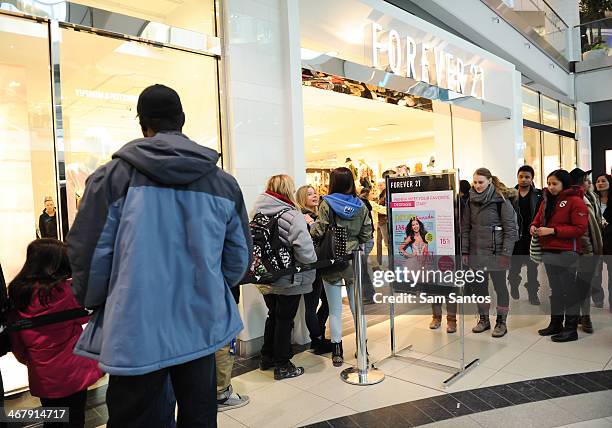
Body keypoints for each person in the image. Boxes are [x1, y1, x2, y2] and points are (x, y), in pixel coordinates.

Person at [67, 84, 252, 427]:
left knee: (138, 418)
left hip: (136, 328)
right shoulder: (224, 184)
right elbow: (238, 257)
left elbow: (89, 256)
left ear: (143, 125)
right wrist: (209, 285)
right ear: (182, 120)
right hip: (200, 323)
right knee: (199, 416)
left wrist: (100, 301)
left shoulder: (111, 179)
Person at [8, 239, 103, 428]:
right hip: (73, 372)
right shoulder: (67, 291)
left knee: (54, 419)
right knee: (75, 417)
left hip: (43, 374)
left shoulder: (18, 293)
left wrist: (30, 360)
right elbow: (86, 318)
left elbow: (17, 341)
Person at [253, 175, 317, 380]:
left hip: (264, 275)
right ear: (289, 190)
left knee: (273, 315)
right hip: (289, 277)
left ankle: (267, 357)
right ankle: (283, 364)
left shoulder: (256, 210)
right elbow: (305, 252)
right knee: (284, 319)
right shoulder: (292, 214)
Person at [310, 167, 373, 366]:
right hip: (353, 260)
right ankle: (362, 348)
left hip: (332, 259)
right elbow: (366, 235)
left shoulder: (326, 203)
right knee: (357, 309)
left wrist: (311, 226)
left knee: (335, 310)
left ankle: (337, 351)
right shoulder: (361, 205)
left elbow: (319, 231)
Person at [531, 169, 588, 343]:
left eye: (555, 183)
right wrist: (533, 226)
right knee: (555, 291)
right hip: (548, 250)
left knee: (568, 291)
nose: (551, 187)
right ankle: (556, 324)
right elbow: (538, 218)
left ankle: (571, 329)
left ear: (564, 183)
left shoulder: (575, 201)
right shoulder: (546, 200)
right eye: (549, 183)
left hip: (566, 252)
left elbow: (580, 229)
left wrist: (553, 230)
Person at [462, 168, 518, 338]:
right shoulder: (470, 200)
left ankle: (501, 322)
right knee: (480, 288)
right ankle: (484, 320)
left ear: (489, 181)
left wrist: (506, 254)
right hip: (476, 252)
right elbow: (465, 228)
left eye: (481, 182)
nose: (477, 185)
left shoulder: (501, 199)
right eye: (475, 182)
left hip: (497, 253)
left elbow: (510, 230)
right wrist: (465, 251)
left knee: (500, 287)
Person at [296, 185, 332, 354]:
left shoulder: (317, 215)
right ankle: (317, 339)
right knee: (312, 304)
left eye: (315, 193)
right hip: (311, 266)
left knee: (327, 302)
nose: (314, 196)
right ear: (302, 197)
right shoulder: (302, 217)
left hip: (322, 264)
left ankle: (318, 335)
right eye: (309, 194)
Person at [569, 168, 602, 334]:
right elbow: (582, 230)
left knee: (585, 284)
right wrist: (588, 249)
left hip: (590, 247)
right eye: (587, 180)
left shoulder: (592, 197)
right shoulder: (576, 199)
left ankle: (584, 315)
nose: (590, 182)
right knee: (580, 284)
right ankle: (581, 317)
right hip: (581, 249)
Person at [507, 166, 543, 305]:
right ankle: (514, 284)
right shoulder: (511, 194)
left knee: (532, 267)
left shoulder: (538, 195)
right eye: (521, 176)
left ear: (532, 178)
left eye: (527, 177)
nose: (523, 179)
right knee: (514, 266)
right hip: (516, 237)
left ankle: (533, 294)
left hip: (531, 236)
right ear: (517, 177)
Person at [593, 173, 612, 311]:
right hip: (596, 240)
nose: (600, 183)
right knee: (595, 273)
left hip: (610, 240)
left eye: (603, 181)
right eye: (598, 181)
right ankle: (598, 298)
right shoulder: (592, 200)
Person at [373, 170, 395, 270]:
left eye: (381, 184)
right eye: (379, 185)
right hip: (380, 221)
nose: (380, 186)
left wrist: (374, 206)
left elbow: (387, 209)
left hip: (385, 221)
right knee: (378, 243)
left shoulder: (386, 194)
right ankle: (379, 263)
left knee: (387, 243)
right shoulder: (381, 194)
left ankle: (391, 265)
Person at [358, 186, 376, 303]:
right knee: (363, 267)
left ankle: (369, 295)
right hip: (366, 240)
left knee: (363, 268)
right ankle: (368, 294)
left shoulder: (358, 204)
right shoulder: (363, 203)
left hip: (363, 241)